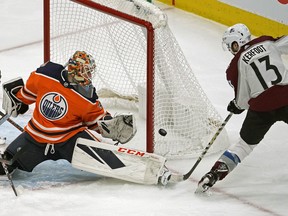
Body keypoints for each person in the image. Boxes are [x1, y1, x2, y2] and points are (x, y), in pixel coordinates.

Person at [0, 51, 171, 186]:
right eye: (86, 71)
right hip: (35, 138)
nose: (89, 76)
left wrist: (111, 125)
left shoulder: (87, 95)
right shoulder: (47, 74)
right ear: (75, 69)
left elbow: (96, 121)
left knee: (110, 160)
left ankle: (154, 171)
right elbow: (25, 94)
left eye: (90, 72)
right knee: (6, 163)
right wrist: (17, 99)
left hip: (70, 140)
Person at [197, 23, 288, 192]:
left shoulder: (233, 67)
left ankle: (213, 174)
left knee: (243, 146)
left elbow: (243, 99)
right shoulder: (266, 41)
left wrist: (236, 105)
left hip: (262, 109)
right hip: (286, 97)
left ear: (235, 43)